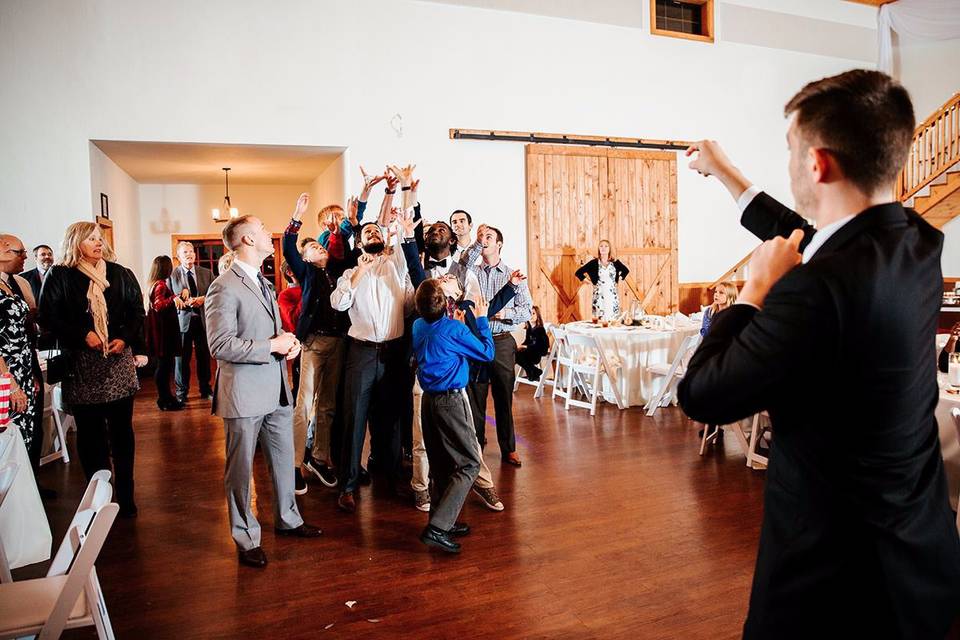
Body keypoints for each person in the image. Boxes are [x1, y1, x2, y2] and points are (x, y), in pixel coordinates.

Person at [678, 70, 960, 638]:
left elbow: (702, 393)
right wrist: (728, 176)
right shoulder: (917, 241)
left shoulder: (814, 292)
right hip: (919, 556)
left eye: (791, 150)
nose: (789, 162)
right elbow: (819, 234)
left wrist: (753, 292)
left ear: (816, 164)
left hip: (833, 582)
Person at [204, 215, 321, 569]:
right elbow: (220, 344)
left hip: (276, 390)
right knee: (240, 470)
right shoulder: (224, 286)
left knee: (285, 462)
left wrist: (288, 345)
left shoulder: (264, 283)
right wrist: (271, 345)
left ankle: (289, 519)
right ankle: (245, 536)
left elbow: (269, 334)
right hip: (243, 394)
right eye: (260, 230)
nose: (268, 235)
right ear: (246, 240)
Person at [400, 215, 515, 513]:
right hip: (425, 381)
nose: (446, 278)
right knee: (422, 438)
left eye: (451, 279)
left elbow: (482, 303)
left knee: (468, 438)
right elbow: (415, 265)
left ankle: (483, 483)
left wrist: (504, 291)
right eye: (442, 280)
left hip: (455, 380)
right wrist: (408, 235)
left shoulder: (462, 288)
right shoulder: (429, 309)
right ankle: (421, 488)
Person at [39, 222, 144, 518]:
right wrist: (82, 334)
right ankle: (99, 494)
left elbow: (137, 310)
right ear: (75, 243)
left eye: (100, 238)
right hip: (83, 363)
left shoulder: (119, 273)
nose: (98, 243)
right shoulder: (60, 275)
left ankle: (126, 492)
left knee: (122, 431)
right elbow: (48, 316)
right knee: (91, 434)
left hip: (117, 361)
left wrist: (124, 337)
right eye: (91, 239)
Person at [330, 205, 414, 514]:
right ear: (359, 243)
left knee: (390, 421)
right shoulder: (350, 274)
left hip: (392, 354)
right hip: (362, 352)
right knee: (354, 419)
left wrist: (402, 228)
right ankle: (348, 485)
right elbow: (338, 304)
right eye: (368, 232)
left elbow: (407, 257)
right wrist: (361, 271)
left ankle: (392, 480)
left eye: (377, 230)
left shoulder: (395, 266)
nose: (374, 233)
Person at [412, 278, 495, 553]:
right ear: (446, 303)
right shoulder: (453, 329)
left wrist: (454, 322)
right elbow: (486, 353)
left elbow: (442, 338)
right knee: (470, 463)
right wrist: (481, 320)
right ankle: (437, 529)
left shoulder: (418, 325)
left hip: (428, 402)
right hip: (451, 403)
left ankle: (443, 519)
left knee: (441, 465)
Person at [284, 193, 351, 494]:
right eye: (313, 247)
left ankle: (320, 457)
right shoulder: (306, 271)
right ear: (306, 257)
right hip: (312, 343)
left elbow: (345, 242)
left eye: (320, 245)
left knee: (327, 405)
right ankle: (296, 464)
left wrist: (343, 225)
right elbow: (289, 248)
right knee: (304, 404)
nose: (319, 248)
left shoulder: (338, 270)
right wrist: (297, 216)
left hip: (338, 343)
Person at [459, 225, 532, 466]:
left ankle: (509, 449)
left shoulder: (513, 275)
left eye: (489, 237)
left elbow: (526, 311)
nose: (484, 240)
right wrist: (477, 242)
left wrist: (502, 314)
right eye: (482, 237)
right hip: (476, 345)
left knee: (503, 398)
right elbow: (463, 264)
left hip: (501, 343)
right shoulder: (471, 274)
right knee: (476, 398)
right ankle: (476, 447)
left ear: (499, 244)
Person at [168, 241, 213, 403]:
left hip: (202, 321)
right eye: (185, 252)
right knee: (182, 359)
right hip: (182, 322)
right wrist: (178, 300)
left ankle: (205, 389)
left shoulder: (206, 273)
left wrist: (204, 299)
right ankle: (181, 392)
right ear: (179, 257)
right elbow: (168, 298)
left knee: (204, 357)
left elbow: (216, 295)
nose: (189, 255)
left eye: (191, 251)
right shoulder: (172, 275)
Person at [145, 255, 184, 411]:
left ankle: (166, 398)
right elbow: (159, 305)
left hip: (160, 333)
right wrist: (173, 299)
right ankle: (165, 399)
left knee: (164, 367)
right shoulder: (160, 285)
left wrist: (175, 297)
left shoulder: (153, 284)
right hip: (163, 335)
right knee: (164, 368)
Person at [574, 240, 629, 319]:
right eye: (601, 246)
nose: (603, 248)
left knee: (613, 321)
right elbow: (578, 273)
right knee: (600, 322)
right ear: (599, 249)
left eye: (606, 246)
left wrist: (618, 280)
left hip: (612, 298)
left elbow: (626, 271)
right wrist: (589, 282)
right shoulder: (593, 263)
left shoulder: (615, 263)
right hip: (599, 297)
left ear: (609, 249)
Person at [515, 305, 549, 381]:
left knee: (519, 355)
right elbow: (527, 341)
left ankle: (533, 372)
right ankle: (534, 371)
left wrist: (525, 347)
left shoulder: (540, 329)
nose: (531, 316)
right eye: (529, 313)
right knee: (516, 353)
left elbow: (539, 346)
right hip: (529, 352)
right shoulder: (529, 329)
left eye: (533, 313)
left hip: (536, 354)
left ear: (538, 315)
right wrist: (521, 346)